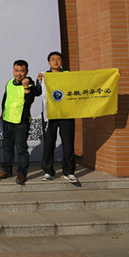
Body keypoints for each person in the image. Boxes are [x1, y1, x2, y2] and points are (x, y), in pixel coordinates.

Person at [37, 51, 78, 183]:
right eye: (53, 59)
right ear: (49, 62)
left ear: (62, 62)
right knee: (49, 143)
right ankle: (48, 171)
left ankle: (69, 171)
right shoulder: (44, 75)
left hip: (66, 113)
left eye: (58, 59)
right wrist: (39, 81)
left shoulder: (68, 75)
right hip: (49, 114)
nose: (55, 61)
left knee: (68, 143)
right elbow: (37, 92)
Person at [0, 59, 41, 185]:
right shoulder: (9, 82)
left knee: (21, 149)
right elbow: (5, 98)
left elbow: (29, 101)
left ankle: (22, 173)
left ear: (26, 72)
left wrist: (26, 87)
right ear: (13, 70)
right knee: (7, 148)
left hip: (21, 122)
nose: (18, 73)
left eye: (21, 71)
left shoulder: (30, 85)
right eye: (16, 70)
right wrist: (2, 113)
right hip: (7, 120)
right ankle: (7, 170)